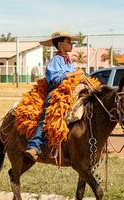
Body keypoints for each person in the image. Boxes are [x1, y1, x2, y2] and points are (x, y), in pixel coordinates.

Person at [25, 31, 83, 161]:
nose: (71, 44)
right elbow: (54, 79)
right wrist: (70, 75)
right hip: (56, 94)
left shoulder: (68, 61)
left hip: (71, 93)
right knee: (46, 118)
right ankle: (34, 146)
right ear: (61, 44)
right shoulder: (55, 60)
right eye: (69, 42)